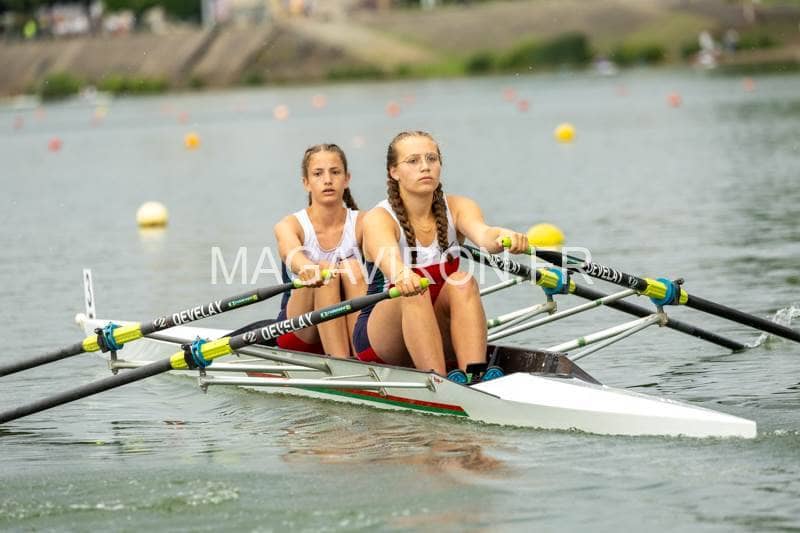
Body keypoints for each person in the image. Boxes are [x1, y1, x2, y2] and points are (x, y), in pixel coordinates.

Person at [353, 131, 528, 383]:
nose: (425, 167)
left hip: (437, 329)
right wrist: (402, 274)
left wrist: (504, 236)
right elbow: (391, 262)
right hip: (382, 339)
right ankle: (439, 383)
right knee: (414, 289)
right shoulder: (378, 218)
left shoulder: (459, 207)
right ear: (394, 172)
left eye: (431, 159)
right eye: (413, 161)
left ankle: (474, 374)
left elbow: (485, 236)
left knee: (462, 281)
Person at [272, 143, 366, 358]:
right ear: (306, 183)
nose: (327, 180)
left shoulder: (365, 222)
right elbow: (290, 252)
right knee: (325, 270)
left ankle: (360, 358)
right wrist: (306, 267)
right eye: (318, 174)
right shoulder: (290, 225)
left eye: (335, 172)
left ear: (347, 179)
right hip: (300, 332)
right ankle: (341, 362)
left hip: (351, 327)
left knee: (352, 268)